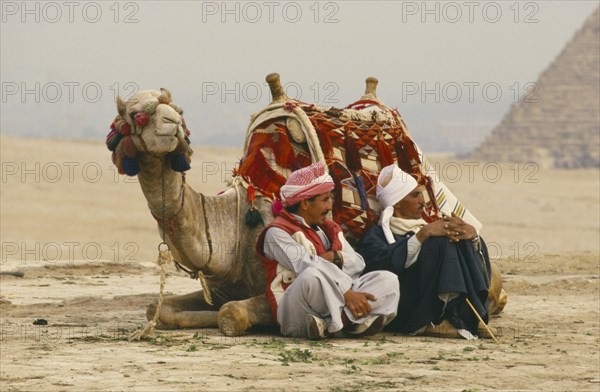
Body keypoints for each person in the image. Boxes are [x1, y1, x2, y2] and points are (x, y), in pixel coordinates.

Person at [257, 162, 399, 340]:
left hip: (337, 298)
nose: (330, 206)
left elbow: (358, 263)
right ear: (305, 203)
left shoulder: (328, 229)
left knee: (388, 279)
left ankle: (337, 322)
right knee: (312, 275)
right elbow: (305, 263)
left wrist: (337, 258)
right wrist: (346, 293)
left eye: (330, 199)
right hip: (297, 310)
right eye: (325, 200)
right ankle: (348, 321)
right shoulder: (276, 233)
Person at [357, 164, 492, 339]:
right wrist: (422, 235)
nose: (422, 200)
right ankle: (434, 320)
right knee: (438, 242)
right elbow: (384, 267)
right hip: (408, 308)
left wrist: (472, 237)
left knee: (460, 238)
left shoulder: (429, 227)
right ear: (397, 203)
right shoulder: (375, 236)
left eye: (421, 193)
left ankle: (469, 317)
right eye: (415, 195)